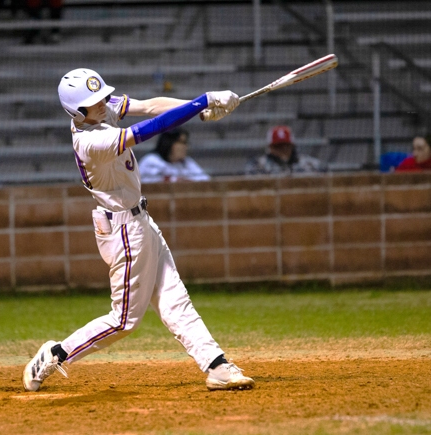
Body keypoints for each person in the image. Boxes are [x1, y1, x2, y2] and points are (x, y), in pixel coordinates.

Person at [22, 68, 255, 392]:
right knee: (123, 321)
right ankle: (56, 354)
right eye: (93, 101)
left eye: (102, 97)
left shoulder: (99, 112)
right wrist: (203, 101)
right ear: (77, 112)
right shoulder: (91, 142)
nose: (102, 103)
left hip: (139, 221)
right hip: (124, 232)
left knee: (174, 298)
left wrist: (198, 107)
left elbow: (149, 106)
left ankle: (217, 366)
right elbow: (149, 128)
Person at [245, 125, 325, 175]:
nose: (283, 149)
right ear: (270, 148)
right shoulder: (258, 166)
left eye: (286, 145)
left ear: (292, 146)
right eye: (278, 146)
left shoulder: (309, 164)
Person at [138, 128, 210, 183]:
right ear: (168, 143)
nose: (185, 147)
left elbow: (206, 180)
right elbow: (146, 184)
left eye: (185, 143)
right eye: (181, 142)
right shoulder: (151, 161)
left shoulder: (187, 162)